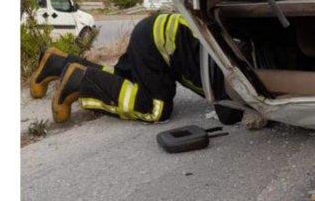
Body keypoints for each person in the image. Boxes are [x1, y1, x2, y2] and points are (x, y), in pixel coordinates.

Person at [29, 12, 237, 124]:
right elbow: (229, 113)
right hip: (157, 44)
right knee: (155, 109)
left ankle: (56, 63)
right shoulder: (235, 69)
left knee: (123, 80)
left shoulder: (236, 41)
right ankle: (81, 81)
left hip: (154, 32)